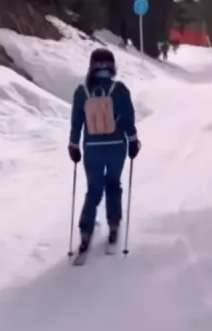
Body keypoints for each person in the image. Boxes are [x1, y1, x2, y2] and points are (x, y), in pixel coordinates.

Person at [68, 48, 141, 253]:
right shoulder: (119, 89)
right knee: (113, 185)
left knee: (93, 189)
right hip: (117, 146)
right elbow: (128, 118)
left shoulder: (82, 91)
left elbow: (76, 122)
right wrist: (133, 141)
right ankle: (114, 224)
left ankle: (85, 231)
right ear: (112, 66)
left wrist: (73, 145)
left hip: (92, 149)